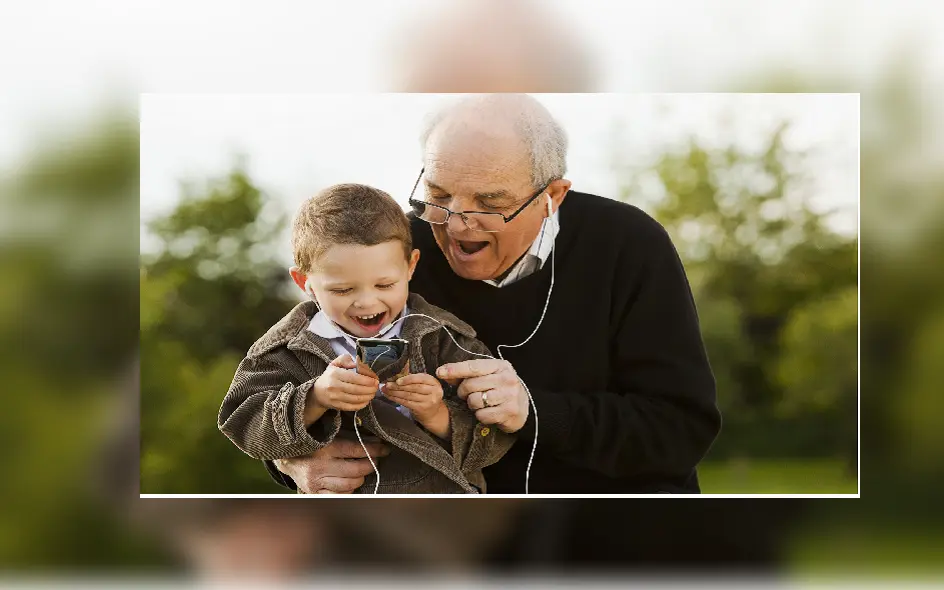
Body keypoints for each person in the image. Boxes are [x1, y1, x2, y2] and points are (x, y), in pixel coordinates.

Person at [270, 93, 721, 494]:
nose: (457, 223)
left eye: (490, 203)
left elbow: (680, 430)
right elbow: (290, 371)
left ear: (553, 195)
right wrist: (291, 462)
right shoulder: (392, 255)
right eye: (438, 194)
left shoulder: (628, 244)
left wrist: (533, 410)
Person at [218, 183, 515, 493]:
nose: (366, 302)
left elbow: (499, 437)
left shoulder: (445, 338)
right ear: (304, 282)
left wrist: (436, 414)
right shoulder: (285, 350)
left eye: (384, 285)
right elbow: (244, 427)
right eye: (343, 290)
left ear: (410, 266)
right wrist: (315, 398)